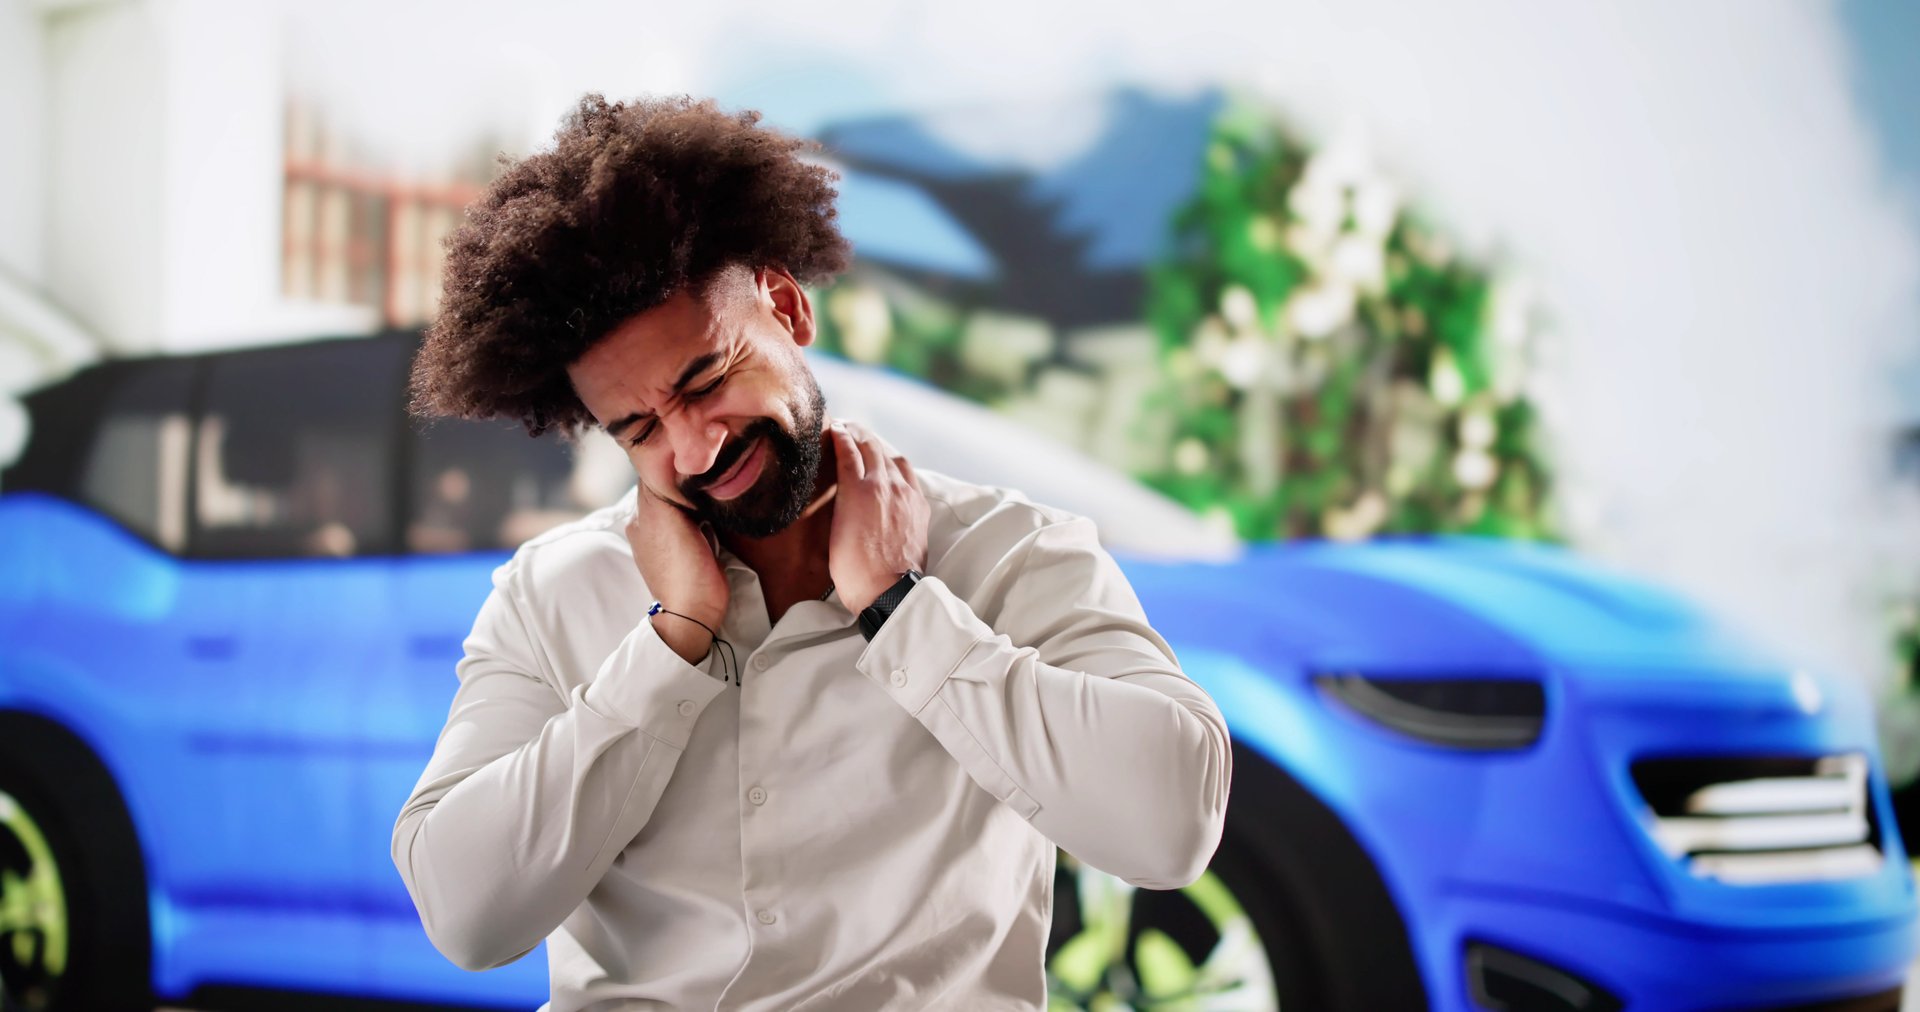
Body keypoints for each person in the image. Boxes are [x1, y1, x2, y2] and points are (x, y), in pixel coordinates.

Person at [393, 92, 1232, 1012]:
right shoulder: (552, 594)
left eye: (707, 378)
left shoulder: (1011, 553)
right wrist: (670, 646)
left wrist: (901, 609)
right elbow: (465, 915)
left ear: (786, 308)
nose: (696, 448)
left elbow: (1171, 828)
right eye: (639, 428)